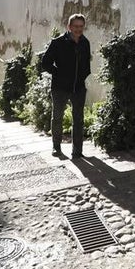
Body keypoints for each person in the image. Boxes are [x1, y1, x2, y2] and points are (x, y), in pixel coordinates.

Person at [41, 13, 91, 159]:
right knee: (57, 117)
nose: (78, 29)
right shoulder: (58, 42)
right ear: (69, 26)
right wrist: (59, 74)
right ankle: (56, 147)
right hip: (60, 88)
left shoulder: (85, 43)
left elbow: (86, 63)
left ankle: (77, 151)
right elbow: (45, 63)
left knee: (79, 120)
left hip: (78, 88)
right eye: (75, 26)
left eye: (81, 26)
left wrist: (83, 76)